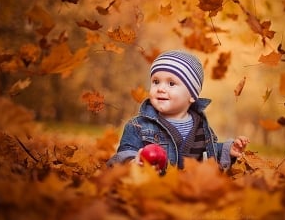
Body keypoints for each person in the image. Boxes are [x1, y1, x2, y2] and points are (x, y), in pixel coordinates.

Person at [106, 50, 249, 171]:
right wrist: (133, 162)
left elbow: (209, 153)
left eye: (171, 83)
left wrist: (228, 150)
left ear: (192, 95)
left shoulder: (202, 127)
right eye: (156, 82)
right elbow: (125, 152)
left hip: (188, 193)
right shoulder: (138, 125)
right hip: (151, 189)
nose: (161, 88)